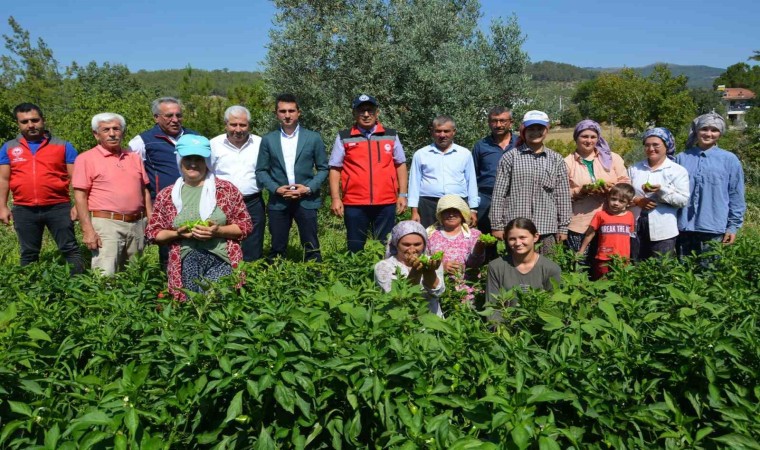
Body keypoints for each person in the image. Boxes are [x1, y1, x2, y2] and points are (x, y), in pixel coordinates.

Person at [145, 135, 253, 300]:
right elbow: (154, 233)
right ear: (180, 160)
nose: (193, 163)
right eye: (188, 158)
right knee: (192, 304)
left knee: (217, 300)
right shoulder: (167, 195)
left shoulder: (226, 190)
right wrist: (177, 234)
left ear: (207, 161)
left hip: (222, 257)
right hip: (185, 259)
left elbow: (244, 226)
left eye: (199, 159)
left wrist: (217, 231)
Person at [0, 103, 83, 274]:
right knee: (28, 253)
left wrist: (77, 206)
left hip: (58, 206)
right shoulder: (9, 148)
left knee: (70, 249)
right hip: (24, 209)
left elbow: (77, 178)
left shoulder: (63, 146)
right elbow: (3, 179)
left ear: (43, 120)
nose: (30, 125)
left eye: (35, 120)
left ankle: (79, 289)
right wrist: (2, 206)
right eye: (24, 122)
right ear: (18, 124)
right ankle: (30, 291)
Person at [72, 113, 152, 275]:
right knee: (105, 274)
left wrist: (151, 220)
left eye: (116, 128)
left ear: (122, 132)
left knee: (135, 274)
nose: (112, 133)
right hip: (106, 224)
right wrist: (87, 230)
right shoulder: (86, 159)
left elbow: (144, 190)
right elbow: (80, 196)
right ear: (96, 135)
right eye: (106, 130)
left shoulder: (133, 158)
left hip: (136, 223)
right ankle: (101, 301)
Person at [329, 94, 408, 252]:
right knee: (355, 246)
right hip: (354, 202)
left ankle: (385, 276)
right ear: (354, 113)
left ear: (377, 112)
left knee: (385, 246)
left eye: (370, 110)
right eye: (361, 111)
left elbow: (400, 164)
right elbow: (335, 168)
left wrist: (403, 195)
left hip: (386, 202)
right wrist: (336, 198)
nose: (366, 114)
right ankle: (357, 275)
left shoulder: (390, 135)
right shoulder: (344, 137)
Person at [256, 94, 328, 262]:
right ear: (276, 114)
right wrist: (276, 189)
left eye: (291, 111)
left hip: (306, 200)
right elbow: (261, 170)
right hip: (279, 200)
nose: (287, 115)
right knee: (277, 246)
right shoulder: (268, 140)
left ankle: (316, 280)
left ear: (298, 113)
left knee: (311, 245)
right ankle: (276, 281)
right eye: (282, 111)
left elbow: (324, 169)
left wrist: (308, 188)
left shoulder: (313, 138)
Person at [489, 110, 571, 255]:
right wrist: (497, 225)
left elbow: (562, 195)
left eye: (539, 129)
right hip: (517, 229)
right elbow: (499, 194)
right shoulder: (510, 158)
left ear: (547, 130)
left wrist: (563, 227)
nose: (535, 132)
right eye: (531, 129)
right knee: (516, 269)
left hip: (546, 227)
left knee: (546, 269)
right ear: (523, 130)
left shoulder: (556, 159)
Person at [129, 97, 198, 269]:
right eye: (169, 116)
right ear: (156, 117)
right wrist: (147, 209)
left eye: (178, 115)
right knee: (169, 249)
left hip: (195, 199)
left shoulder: (195, 137)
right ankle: (169, 288)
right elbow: (134, 176)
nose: (175, 120)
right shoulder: (142, 141)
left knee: (196, 243)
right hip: (164, 203)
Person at [675, 112, 746, 257]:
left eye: (714, 130)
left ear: (720, 133)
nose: (708, 134)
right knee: (683, 273)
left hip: (714, 228)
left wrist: (732, 227)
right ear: (697, 131)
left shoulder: (729, 160)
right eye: (704, 129)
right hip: (684, 228)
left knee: (711, 273)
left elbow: (736, 195)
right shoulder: (682, 158)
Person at [564, 120, 629, 258]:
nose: (589, 140)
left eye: (593, 137)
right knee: (581, 262)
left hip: (610, 220)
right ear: (576, 138)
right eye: (584, 136)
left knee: (608, 261)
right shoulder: (567, 162)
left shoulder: (612, 158)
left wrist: (613, 189)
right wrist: (580, 191)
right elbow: (561, 192)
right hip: (580, 223)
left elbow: (625, 183)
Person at [209, 105, 264, 261]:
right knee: (222, 241)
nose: (238, 129)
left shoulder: (260, 143)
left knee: (253, 242)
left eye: (243, 125)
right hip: (222, 203)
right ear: (226, 124)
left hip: (253, 201)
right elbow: (207, 173)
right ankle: (225, 277)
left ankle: (251, 275)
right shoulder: (213, 144)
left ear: (249, 125)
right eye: (233, 124)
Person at [628, 128, 689, 260]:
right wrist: (637, 200)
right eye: (647, 145)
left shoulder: (677, 171)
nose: (651, 149)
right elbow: (624, 194)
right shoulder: (634, 169)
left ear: (666, 146)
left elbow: (683, 200)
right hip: (636, 227)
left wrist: (661, 191)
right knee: (636, 265)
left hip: (663, 229)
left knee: (661, 268)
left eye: (656, 145)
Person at [408, 115, 479, 227]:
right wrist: (414, 211)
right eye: (438, 131)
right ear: (432, 132)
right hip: (429, 204)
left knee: (458, 239)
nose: (442, 135)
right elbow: (414, 184)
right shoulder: (421, 154)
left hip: (458, 204)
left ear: (454, 132)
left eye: (446, 131)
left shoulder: (464, 154)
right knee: (428, 238)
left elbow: (472, 183)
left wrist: (473, 209)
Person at [486, 218, 561, 312]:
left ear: (535, 237)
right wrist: (499, 326)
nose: (517, 243)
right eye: (512, 239)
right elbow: (492, 307)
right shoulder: (496, 267)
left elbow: (554, 306)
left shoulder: (551, 269)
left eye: (522, 237)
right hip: (505, 323)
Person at [472, 106, 517, 260]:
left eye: (502, 121)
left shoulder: (521, 143)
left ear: (511, 122)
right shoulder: (481, 145)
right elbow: (473, 175)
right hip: (486, 197)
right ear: (489, 123)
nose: (498, 125)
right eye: (494, 121)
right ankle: (487, 273)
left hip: (515, 196)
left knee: (515, 235)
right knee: (487, 238)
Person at [374, 220, 445, 317]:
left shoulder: (432, 262)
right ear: (396, 244)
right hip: (404, 321)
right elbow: (399, 299)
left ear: (424, 244)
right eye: (406, 245)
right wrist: (416, 271)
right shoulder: (383, 266)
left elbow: (437, 292)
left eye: (417, 244)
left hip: (432, 319)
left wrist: (429, 271)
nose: (412, 249)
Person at [426, 195, 487, 302]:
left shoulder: (474, 235)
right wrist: (441, 267)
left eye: (455, 211)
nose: (451, 214)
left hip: (468, 289)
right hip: (438, 288)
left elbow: (475, 264)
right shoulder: (430, 234)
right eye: (446, 211)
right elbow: (424, 260)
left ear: (462, 213)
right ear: (440, 214)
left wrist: (479, 248)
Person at [578, 183, 636, 280]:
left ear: (628, 203)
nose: (616, 203)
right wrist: (581, 250)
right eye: (613, 199)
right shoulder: (600, 215)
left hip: (622, 259)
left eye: (621, 201)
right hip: (603, 257)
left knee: (620, 282)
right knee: (602, 282)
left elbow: (630, 237)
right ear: (608, 198)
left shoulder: (630, 216)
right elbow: (590, 233)